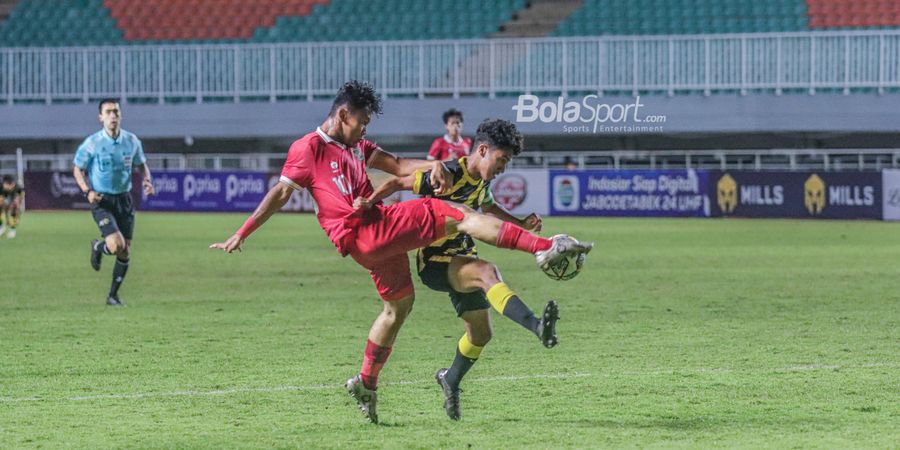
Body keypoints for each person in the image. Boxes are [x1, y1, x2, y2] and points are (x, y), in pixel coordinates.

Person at [209, 81, 592, 424]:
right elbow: (281, 192)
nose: (365, 128)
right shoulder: (308, 148)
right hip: (365, 231)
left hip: (375, 240)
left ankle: (366, 382)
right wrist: (243, 232)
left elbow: (397, 165)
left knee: (399, 306)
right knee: (459, 214)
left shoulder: (358, 144)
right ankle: (546, 248)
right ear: (342, 114)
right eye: (362, 121)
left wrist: (435, 163)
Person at [357, 118, 561, 421]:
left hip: (461, 256)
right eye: (501, 159)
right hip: (436, 260)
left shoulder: (482, 182)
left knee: (480, 334)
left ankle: (450, 379)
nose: (504, 167)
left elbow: (488, 207)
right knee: (487, 271)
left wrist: (520, 223)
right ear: (482, 149)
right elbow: (398, 182)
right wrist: (369, 201)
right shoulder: (448, 173)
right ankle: (536, 327)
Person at [73, 99, 155, 307]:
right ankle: (101, 246)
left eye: (116, 112)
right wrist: (86, 191)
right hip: (102, 200)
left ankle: (113, 296)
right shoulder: (92, 143)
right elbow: (77, 169)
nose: (113, 116)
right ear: (100, 117)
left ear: (121, 115)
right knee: (116, 244)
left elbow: (141, 165)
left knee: (125, 250)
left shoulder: (131, 141)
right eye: (108, 112)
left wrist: (147, 180)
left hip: (124, 199)